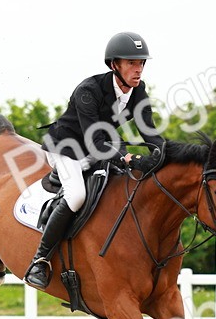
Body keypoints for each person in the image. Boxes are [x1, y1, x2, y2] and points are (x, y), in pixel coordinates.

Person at [24, 31, 167, 289]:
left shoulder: (138, 91)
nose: (138, 70)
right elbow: (95, 142)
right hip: (65, 149)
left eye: (142, 63)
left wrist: (165, 154)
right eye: (132, 63)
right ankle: (40, 260)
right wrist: (129, 157)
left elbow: (149, 131)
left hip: (99, 148)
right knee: (77, 195)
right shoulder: (88, 91)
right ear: (114, 65)